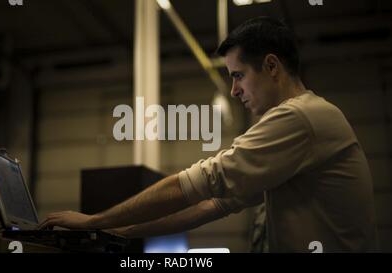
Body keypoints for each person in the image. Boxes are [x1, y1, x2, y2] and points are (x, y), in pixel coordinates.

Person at [39, 16, 378, 252]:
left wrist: (93, 220)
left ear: (272, 66)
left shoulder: (299, 117)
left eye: (238, 75)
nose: (233, 90)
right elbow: (212, 206)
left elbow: (200, 182)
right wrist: (112, 230)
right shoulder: (301, 126)